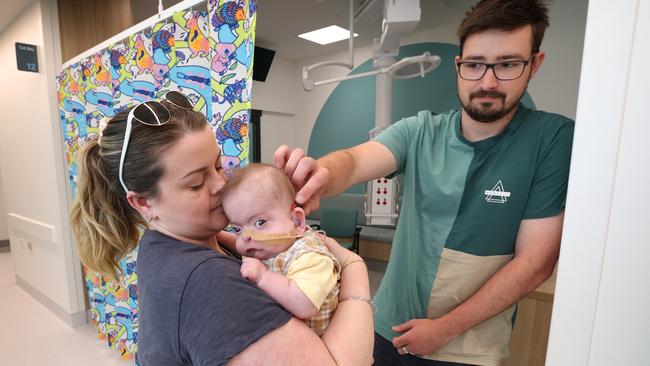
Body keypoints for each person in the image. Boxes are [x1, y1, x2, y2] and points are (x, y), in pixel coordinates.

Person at [274, 1, 574, 365]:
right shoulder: (420, 131)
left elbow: (535, 262)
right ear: (458, 66)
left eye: (508, 64)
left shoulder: (552, 139)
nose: (488, 82)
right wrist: (319, 173)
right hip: (387, 328)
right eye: (476, 64)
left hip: (468, 348)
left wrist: (446, 328)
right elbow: (353, 161)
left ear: (534, 65)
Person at [69, 91, 374, 365]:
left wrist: (272, 202)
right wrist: (353, 267)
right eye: (196, 183)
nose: (220, 185)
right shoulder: (208, 284)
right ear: (143, 203)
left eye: (218, 165)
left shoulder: (164, 242)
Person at [221, 163, 344, 336]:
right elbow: (239, 243)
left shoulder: (310, 256)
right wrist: (217, 236)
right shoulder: (266, 248)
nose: (246, 237)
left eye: (260, 222)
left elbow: (303, 304)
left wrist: (263, 276)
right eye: (237, 228)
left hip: (316, 347)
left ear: (297, 222)